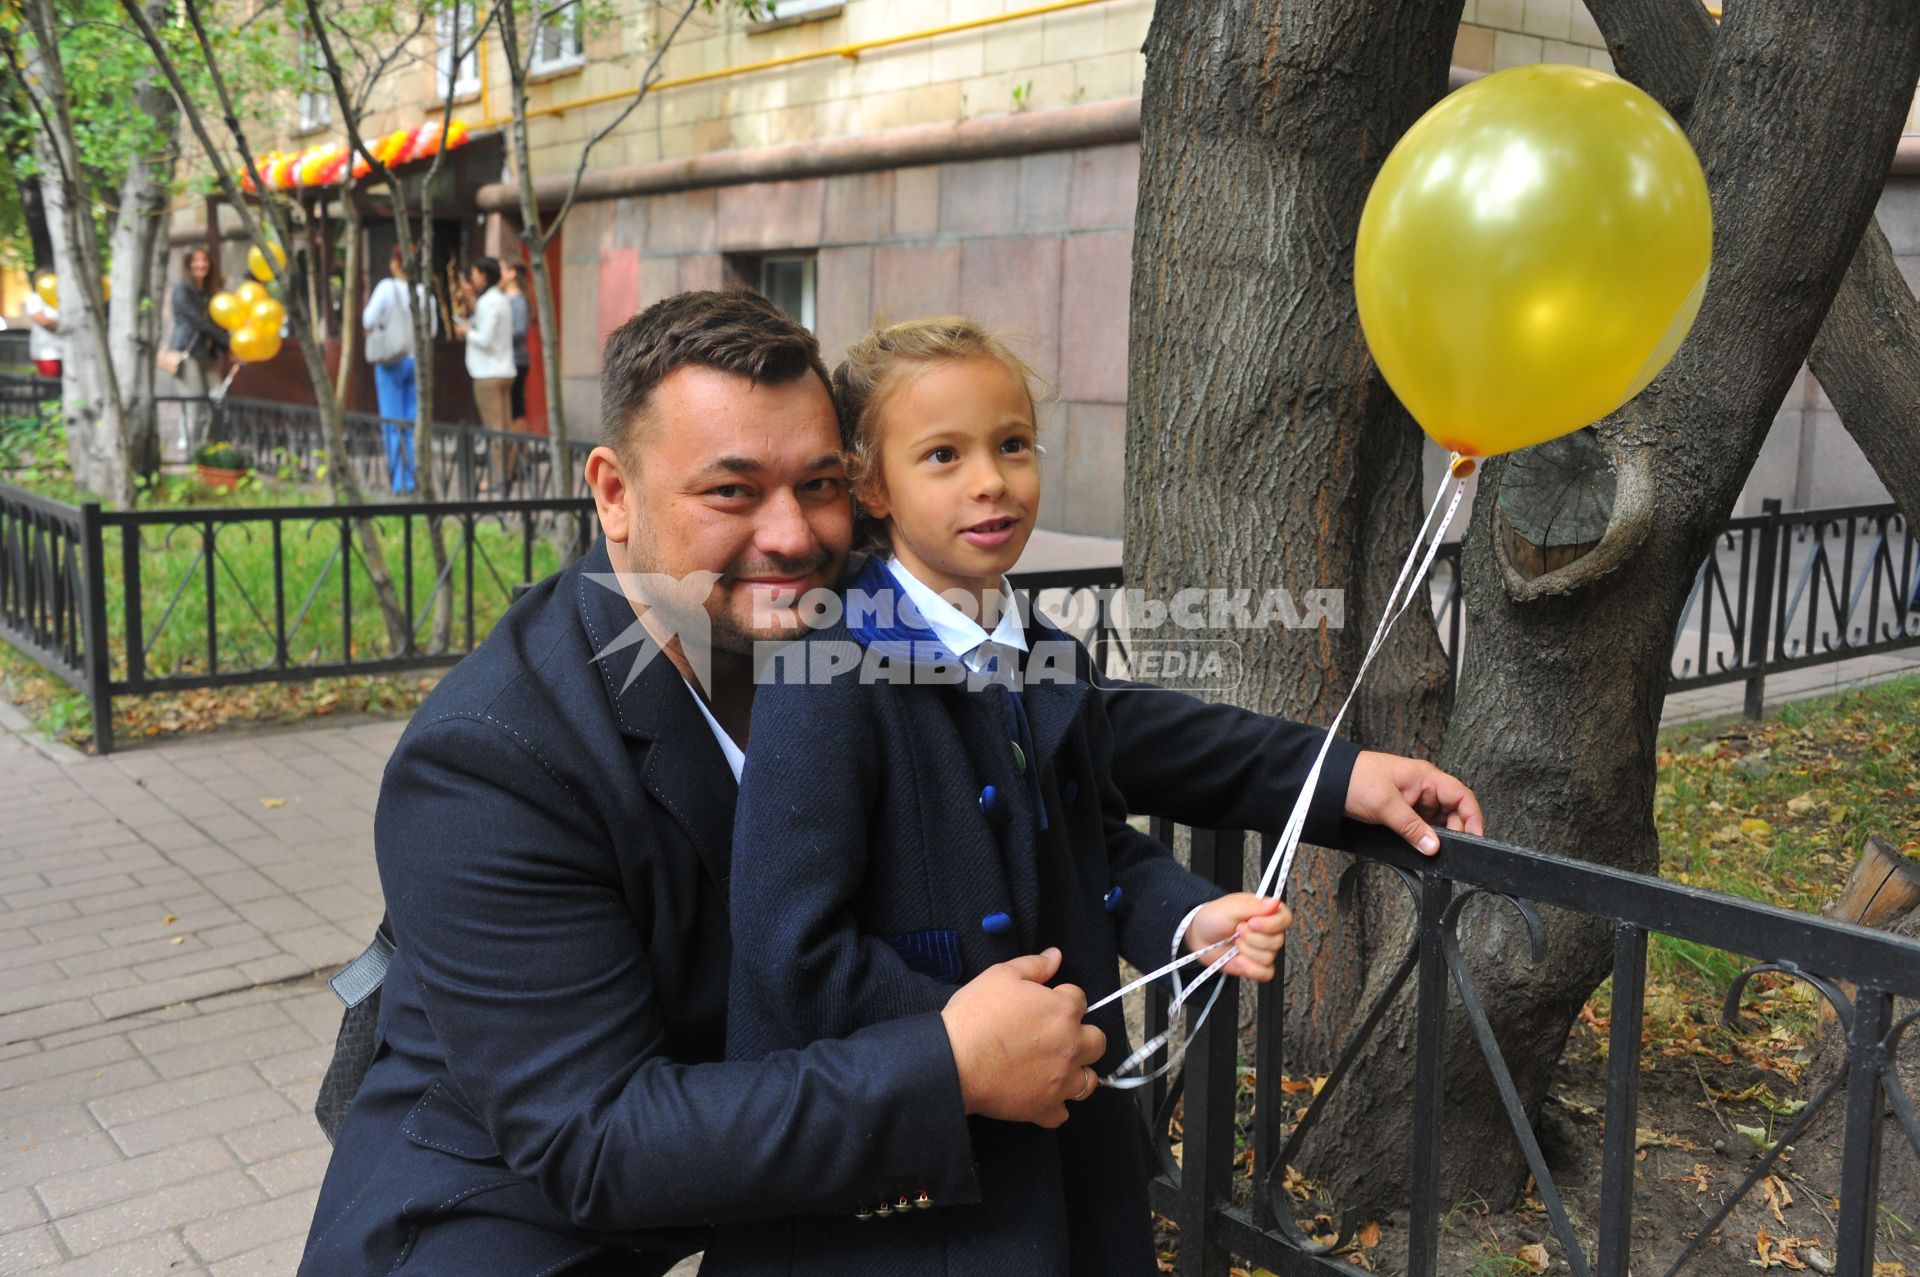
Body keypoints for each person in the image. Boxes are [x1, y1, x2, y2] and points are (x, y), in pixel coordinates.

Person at [298, 290, 1483, 1276]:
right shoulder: (491, 759)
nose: (793, 531)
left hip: (779, 1158)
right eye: (730, 490)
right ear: (613, 492)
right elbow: (596, 1139)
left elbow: (1068, 716)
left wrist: (1334, 775)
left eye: (818, 482)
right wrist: (951, 1062)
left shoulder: (825, 621)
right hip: (515, 1208)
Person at [709, 316, 1291, 1276]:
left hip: (1066, 1134)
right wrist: (964, 1042)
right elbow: (790, 947)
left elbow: (1094, 843)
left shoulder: (1049, 652)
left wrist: (1186, 918)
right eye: (944, 454)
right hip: (909, 1182)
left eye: (1012, 444)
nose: (992, 480)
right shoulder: (826, 669)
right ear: (872, 485)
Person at [362, 246, 433, 494]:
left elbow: (368, 319)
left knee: (392, 422)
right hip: (417, 362)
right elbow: (432, 330)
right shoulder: (425, 293)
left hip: (391, 361)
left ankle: (399, 482)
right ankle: (416, 478)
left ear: (395, 262)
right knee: (413, 423)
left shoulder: (386, 288)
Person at [168, 247, 229, 451]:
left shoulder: (210, 292)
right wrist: (228, 342)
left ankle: (211, 446)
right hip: (188, 353)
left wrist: (231, 347)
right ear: (188, 265)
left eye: (204, 260)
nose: (201, 265)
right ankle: (191, 452)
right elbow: (199, 322)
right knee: (196, 403)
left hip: (207, 355)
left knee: (218, 397)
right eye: (196, 261)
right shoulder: (182, 290)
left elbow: (218, 321)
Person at [454, 255, 514, 435]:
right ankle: (506, 464)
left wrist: (466, 332)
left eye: (474, 274)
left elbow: (485, 338)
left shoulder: (488, 302)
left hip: (488, 373)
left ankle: (499, 464)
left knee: (495, 431)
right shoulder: (501, 299)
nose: (472, 279)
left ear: (484, 275)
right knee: (505, 430)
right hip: (503, 370)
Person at [504, 261, 532, 432]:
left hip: (516, 360)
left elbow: (519, 331)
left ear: (512, 272)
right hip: (510, 359)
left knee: (516, 408)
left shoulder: (518, 301)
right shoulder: (509, 299)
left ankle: (521, 452)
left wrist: (499, 339)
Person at [24, 275, 59, 379]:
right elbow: (44, 322)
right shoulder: (35, 298)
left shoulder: (62, 298)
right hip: (47, 352)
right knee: (50, 384)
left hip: (66, 351)